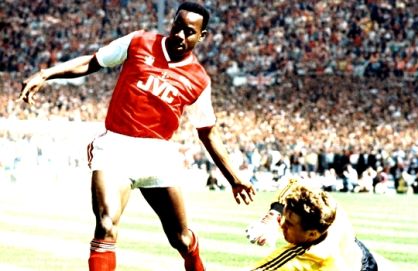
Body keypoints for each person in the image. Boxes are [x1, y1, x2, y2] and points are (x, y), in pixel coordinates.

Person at [18, 2, 255, 271]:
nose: (179, 35)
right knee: (106, 225)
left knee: (180, 238)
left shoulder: (199, 80)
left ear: (202, 36)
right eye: (177, 26)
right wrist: (46, 74)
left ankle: (196, 262)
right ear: (172, 22)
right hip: (116, 147)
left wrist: (235, 179)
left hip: (158, 154)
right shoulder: (138, 42)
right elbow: (92, 61)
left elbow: (208, 133)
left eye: (189, 32)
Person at [246, 179, 395, 271]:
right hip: (365, 259)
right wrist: (273, 215)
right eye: (284, 216)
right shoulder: (331, 212)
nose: (281, 224)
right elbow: (294, 183)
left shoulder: (300, 258)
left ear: (312, 234)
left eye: (289, 224)